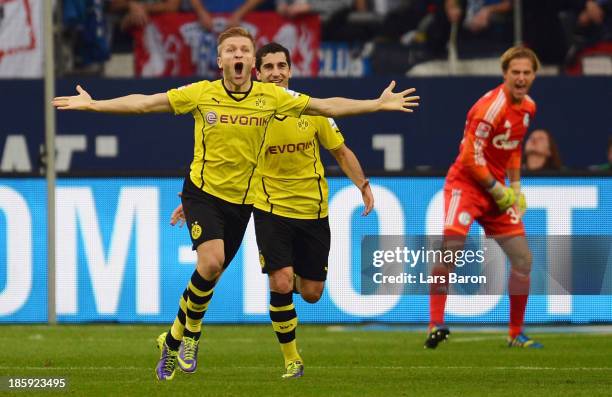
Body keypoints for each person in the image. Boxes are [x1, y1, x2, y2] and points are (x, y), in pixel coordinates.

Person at [53, 27, 419, 381]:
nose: (238, 55)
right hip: (201, 192)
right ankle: (193, 334)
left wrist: (376, 104)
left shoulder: (273, 99)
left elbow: (327, 106)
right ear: (220, 61)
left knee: (223, 275)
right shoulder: (201, 93)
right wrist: (94, 105)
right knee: (210, 262)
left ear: (250, 60)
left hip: (242, 202)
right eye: (232, 51)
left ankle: (173, 338)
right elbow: (145, 104)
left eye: (244, 49)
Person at [169, 42, 374, 379]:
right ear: (257, 73)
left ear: (290, 71)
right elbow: (232, 163)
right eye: (269, 68)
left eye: (282, 66)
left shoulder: (307, 110)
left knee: (311, 293)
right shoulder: (254, 116)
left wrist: (362, 184)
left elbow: (340, 150)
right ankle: (290, 358)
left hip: (312, 209)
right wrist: (193, 201)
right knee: (268, 279)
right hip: (267, 209)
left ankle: (184, 333)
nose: (276, 73)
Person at [425, 46, 543, 349]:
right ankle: (434, 323)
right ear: (504, 74)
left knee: (523, 260)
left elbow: (513, 147)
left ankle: (515, 333)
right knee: (450, 248)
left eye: (526, 72)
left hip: (497, 191)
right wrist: (498, 188)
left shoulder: (528, 107)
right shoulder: (490, 108)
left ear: (534, 75)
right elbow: (469, 157)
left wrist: (515, 188)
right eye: (515, 72)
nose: (520, 78)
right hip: (466, 186)